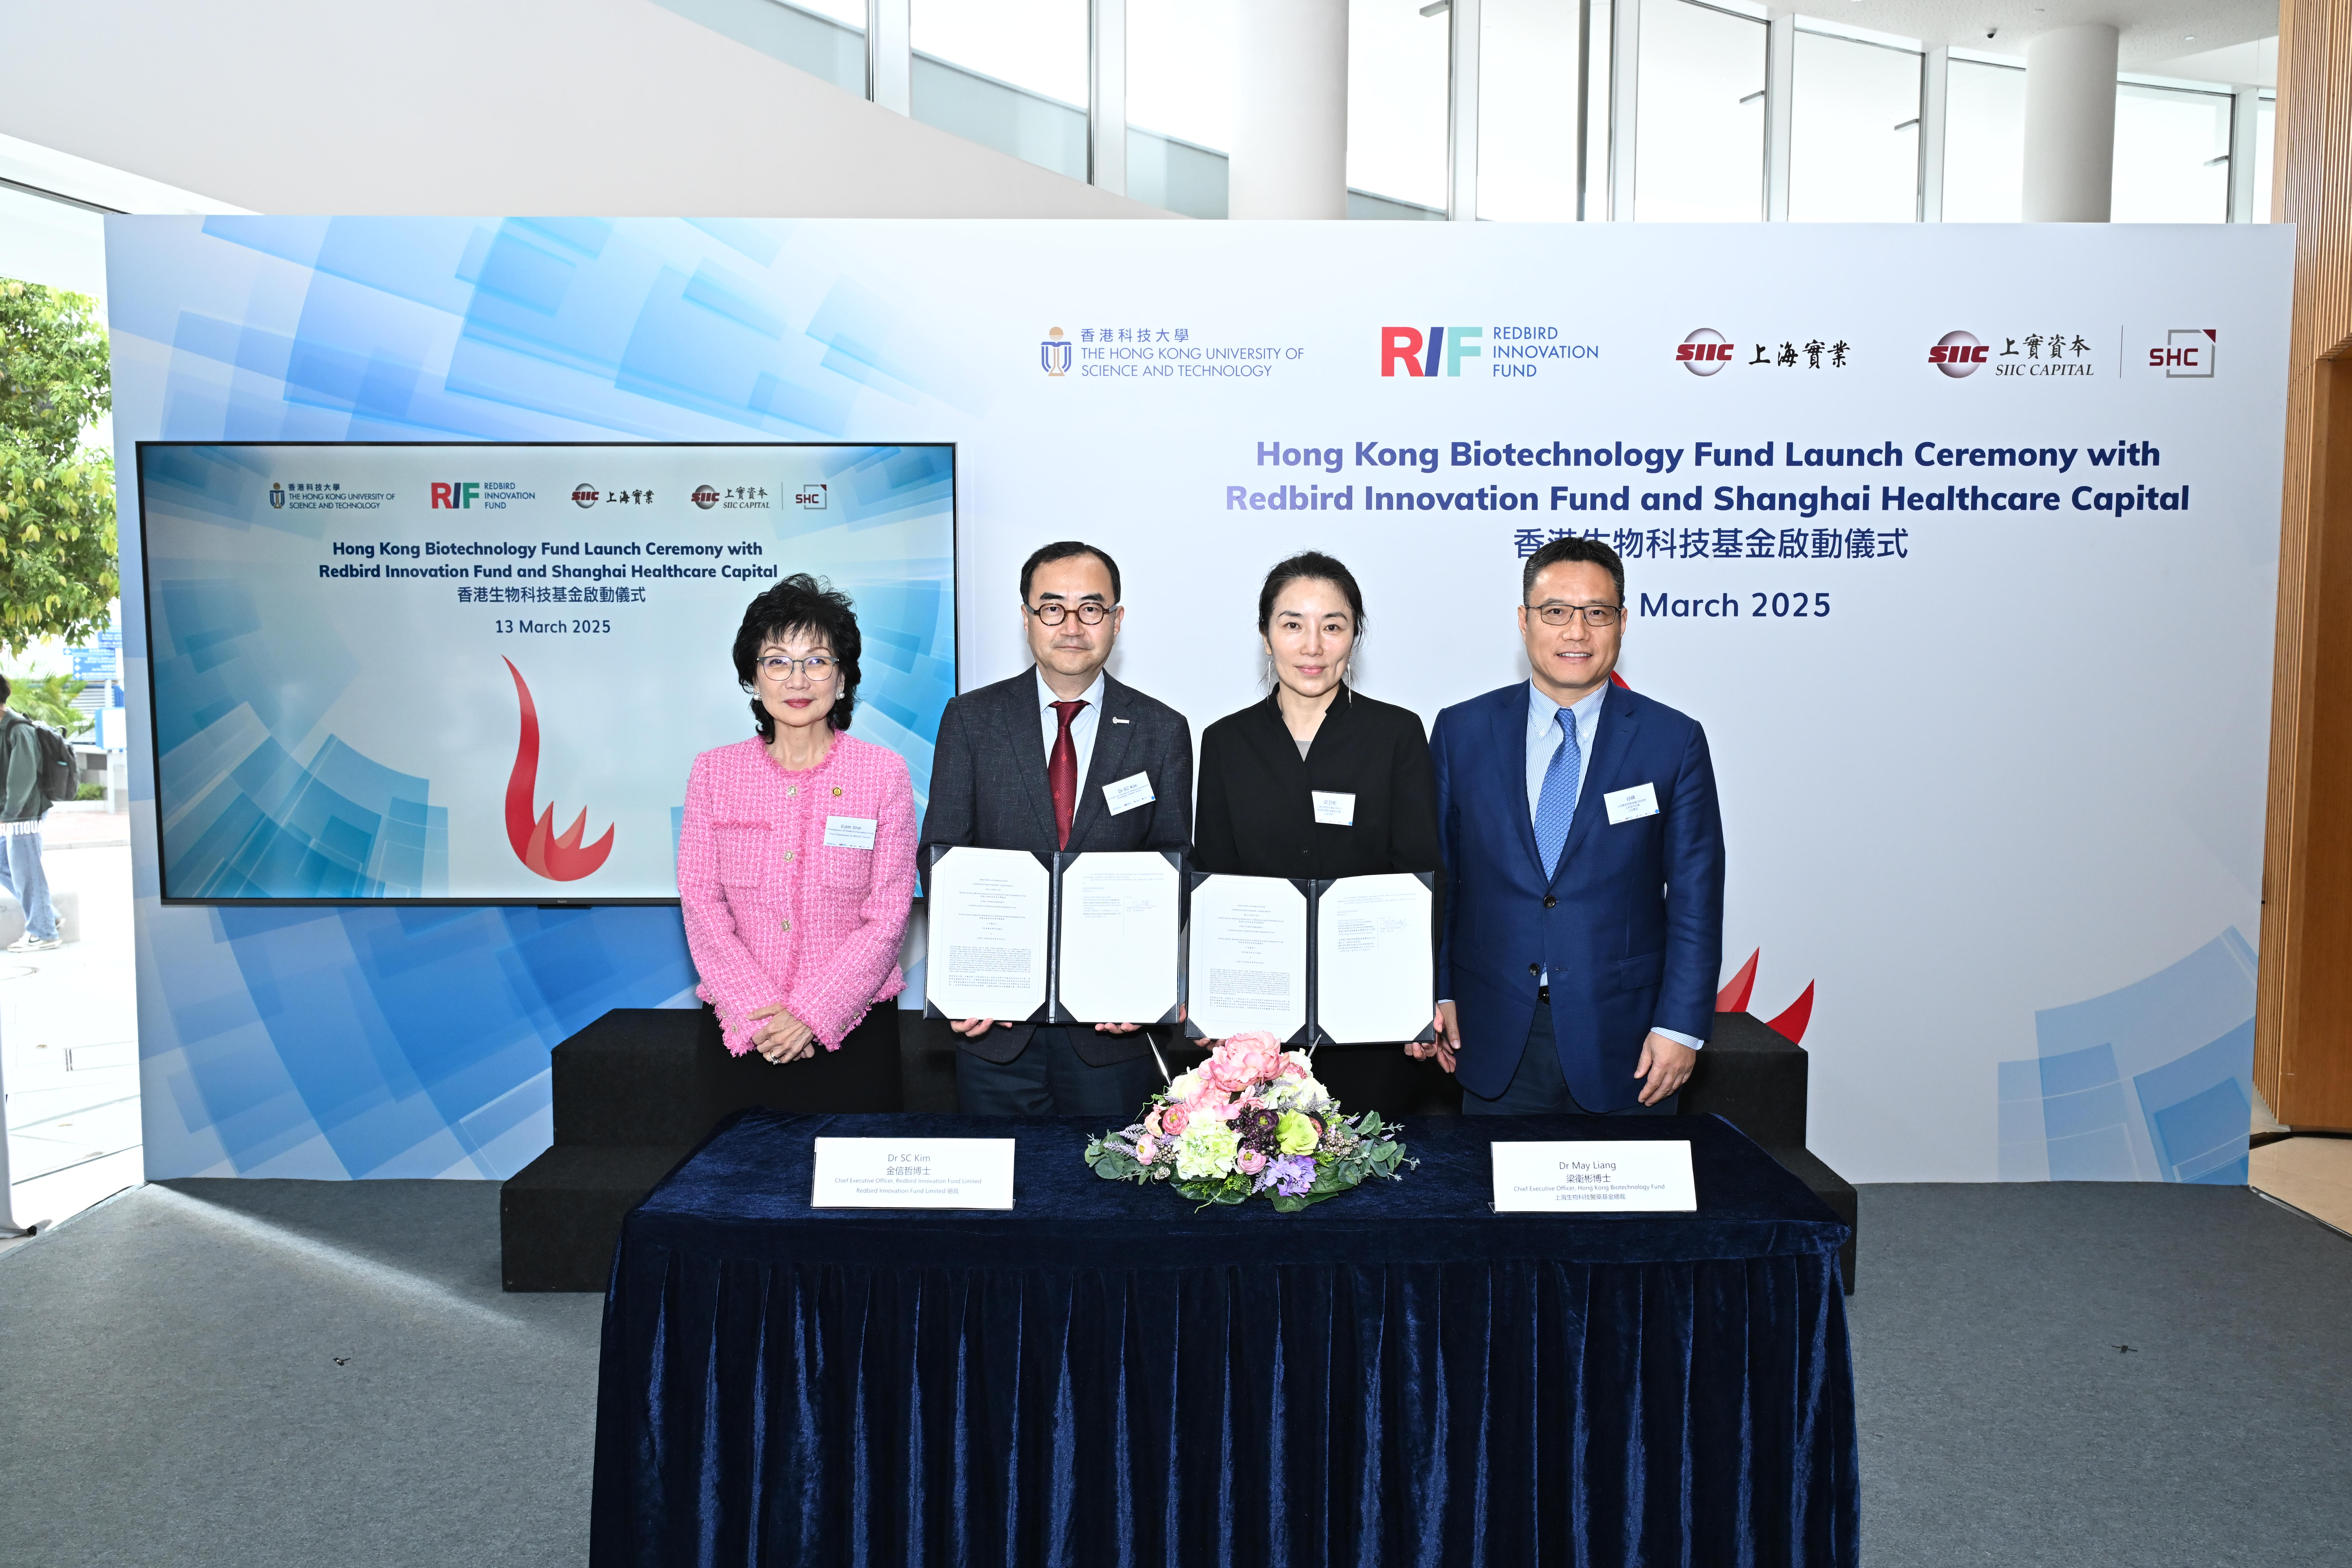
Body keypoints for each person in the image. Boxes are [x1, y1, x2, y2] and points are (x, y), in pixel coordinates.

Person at [1428, 536, 1725, 1115]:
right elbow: (1440, 881)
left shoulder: (1673, 740)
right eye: (1556, 612)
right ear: (1524, 620)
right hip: (1492, 1030)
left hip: (1631, 1039)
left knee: (1628, 1211)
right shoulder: (1461, 732)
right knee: (1493, 1204)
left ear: (1622, 623)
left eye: (1597, 614)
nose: (1577, 632)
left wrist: (1682, 1027)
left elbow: (1696, 898)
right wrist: (1436, 992)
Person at [920, 540, 1193, 1116]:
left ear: (1117, 621)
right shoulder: (971, 720)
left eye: (1091, 609)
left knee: (1111, 1199)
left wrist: (1140, 983)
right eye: (1053, 608)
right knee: (1000, 1194)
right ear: (1026, 619)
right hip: (995, 1026)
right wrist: (965, 979)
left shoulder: (1161, 730)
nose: (1072, 626)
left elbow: (1175, 861)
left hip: (1111, 1027)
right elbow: (941, 853)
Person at [1192, 551, 1450, 1115]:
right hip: (1256, 1022)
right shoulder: (1225, 742)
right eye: (1293, 625)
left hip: (1372, 1016)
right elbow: (1212, 879)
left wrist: (1415, 1003)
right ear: (1266, 636)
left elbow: (1421, 875)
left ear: (1355, 637)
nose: (1313, 645)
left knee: (1370, 1178)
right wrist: (1208, 1006)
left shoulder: (1397, 735)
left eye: (1333, 626)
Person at [676, 575, 914, 1110]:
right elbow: (701, 903)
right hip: (744, 1031)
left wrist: (811, 1013)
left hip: (854, 1032)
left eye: (817, 660)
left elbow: (889, 912)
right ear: (753, 679)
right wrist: (761, 1013)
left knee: (850, 1190)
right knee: (735, 1187)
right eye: (778, 660)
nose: (797, 678)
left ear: (843, 678)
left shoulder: (883, 774)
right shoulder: (714, 772)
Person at [0, 677, 61, 954]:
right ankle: (48, 915)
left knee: (27, 870)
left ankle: (43, 932)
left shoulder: (18, 730)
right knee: (5, 863)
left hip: (23, 816)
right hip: (12, 815)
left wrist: (8, 816)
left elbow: (21, 781)